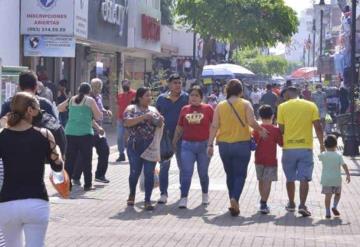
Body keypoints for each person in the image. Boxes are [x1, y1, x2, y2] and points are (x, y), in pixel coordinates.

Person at [0, 92, 63, 247]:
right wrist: (58, 155)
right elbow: (57, 167)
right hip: (36, 201)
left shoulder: (2, 136)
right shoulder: (44, 134)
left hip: (7, 203)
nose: (40, 112)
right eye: (38, 109)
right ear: (30, 110)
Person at [207, 79, 268, 216]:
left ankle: (233, 202)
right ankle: (235, 199)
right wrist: (261, 130)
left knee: (230, 175)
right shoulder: (246, 104)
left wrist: (210, 144)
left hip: (224, 145)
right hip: (242, 144)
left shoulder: (220, 106)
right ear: (241, 91)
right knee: (240, 174)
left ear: (227, 91)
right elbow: (252, 122)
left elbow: (214, 126)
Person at [277, 86, 324, 217]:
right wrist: (321, 144)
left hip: (288, 149)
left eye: (284, 94)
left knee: (290, 178)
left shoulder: (282, 107)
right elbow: (318, 127)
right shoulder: (311, 105)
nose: (283, 97)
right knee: (304, 178)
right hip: (306, 148)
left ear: (288, 93)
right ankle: (302, 205)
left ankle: (291, 203)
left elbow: (281, 129)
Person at [172, 86, 214, 208]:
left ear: (201, 97)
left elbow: (214, 126)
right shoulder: (184, 109)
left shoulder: (208, 109)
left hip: (203, 146)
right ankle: (184, 197)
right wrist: (174, 141)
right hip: (187, 146)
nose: (194, 98)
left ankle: (205, 194)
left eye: (196, 95)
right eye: (191, 95)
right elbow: (179, 127)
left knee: (203, 173)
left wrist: (211, 144)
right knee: (186, 172)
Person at [124, 87, 164, 210]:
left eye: (150, 96)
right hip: (135, 146)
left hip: (150, 146)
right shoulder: (131, 108)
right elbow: (126, 122)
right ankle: (132, 194)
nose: (149, 98)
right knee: (134, 172)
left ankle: (147, 200)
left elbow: (159, 124)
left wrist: (159, 120)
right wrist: (143, 117)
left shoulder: (153, 110)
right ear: (139, 97)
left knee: (149, 173)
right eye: (147, 96)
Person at [58, 82, 102, 191]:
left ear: (78, 90)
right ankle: (87, 184)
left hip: (70, 133)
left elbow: (59, 108)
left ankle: (67, 185)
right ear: (89, 91)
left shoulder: (71, 99)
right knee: (87, 160)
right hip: (85, 135)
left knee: (69, 161)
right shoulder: (90, 100)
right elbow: (98, 116)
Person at [156, 74, 189, 204]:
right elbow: (156, 116)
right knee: (164, 167)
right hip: (165, 138)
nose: (178, 85)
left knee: (183, 167)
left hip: (183, 138)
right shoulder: (161, 99)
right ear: (169, 85)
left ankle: (183, 193)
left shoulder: (186, 98)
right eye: (175, 83)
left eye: (179, 82)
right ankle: (163, 193)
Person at [72, 78, 112, 184]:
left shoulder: (99, 97)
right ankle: (76, 177)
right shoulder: (87, 99)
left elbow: (100, 108)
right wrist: (98, 128)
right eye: (96, 86)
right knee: (83, 155)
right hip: (89, 130)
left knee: (105, 151)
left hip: (99, 130)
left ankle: (100, 175)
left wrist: (105, 111)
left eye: (99, 86)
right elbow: (87, 116)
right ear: (91, 87)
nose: (98, 89)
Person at [252, 105, 283, 214]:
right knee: (267, 182)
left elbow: (253, 142)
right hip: (271, 160)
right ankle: (264, 202)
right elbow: (281, 143)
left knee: (261, 180)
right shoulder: (275, 130)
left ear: (259, 116)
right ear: (273, 116)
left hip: (258, 159)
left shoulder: (256, 129)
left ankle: (262, 200)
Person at [318, 135, 351, 219]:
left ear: (325, 145)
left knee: (328, 196)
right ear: (336, 145)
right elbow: (344, 165)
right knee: (338, 194)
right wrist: (347, 174)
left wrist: (321, 147)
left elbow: (319, 156)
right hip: (336, 180)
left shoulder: (324, 155)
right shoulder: (338, 155)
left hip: (326, 180)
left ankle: (327, 211)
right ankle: (334, 206)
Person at [116, 80, 136, 162]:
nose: (125, 85)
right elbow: (118, 106)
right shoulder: (119, 95)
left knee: (131, 137)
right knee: (119, 137)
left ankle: (132, 154)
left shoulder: (134, 93)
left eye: (127, 83)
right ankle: (121, 154)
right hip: (120, 119)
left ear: (129, 84)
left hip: (131, 119)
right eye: (123, 84)